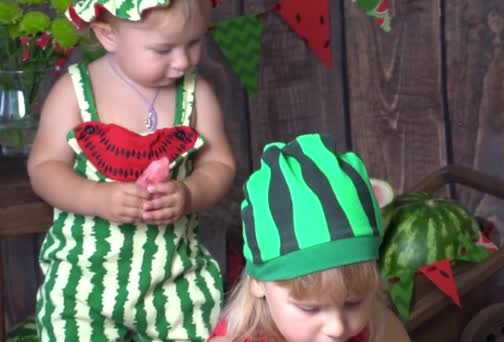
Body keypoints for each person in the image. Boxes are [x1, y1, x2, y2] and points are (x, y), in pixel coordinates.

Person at [27, 0, 236, 340]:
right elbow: (43, 168)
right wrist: (96, 197)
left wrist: (189, 193)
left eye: (195, 42)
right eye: (163, 49)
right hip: (84, 284)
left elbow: (220, 164)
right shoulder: (76, 91)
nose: (183, 61)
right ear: (109, 35)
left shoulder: (197, 94)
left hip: (175, 278)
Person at [209, 133, 411, 342]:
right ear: (258, 282)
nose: (337, 328)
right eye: (310, 308)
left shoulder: (382, 331)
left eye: (354, 303)